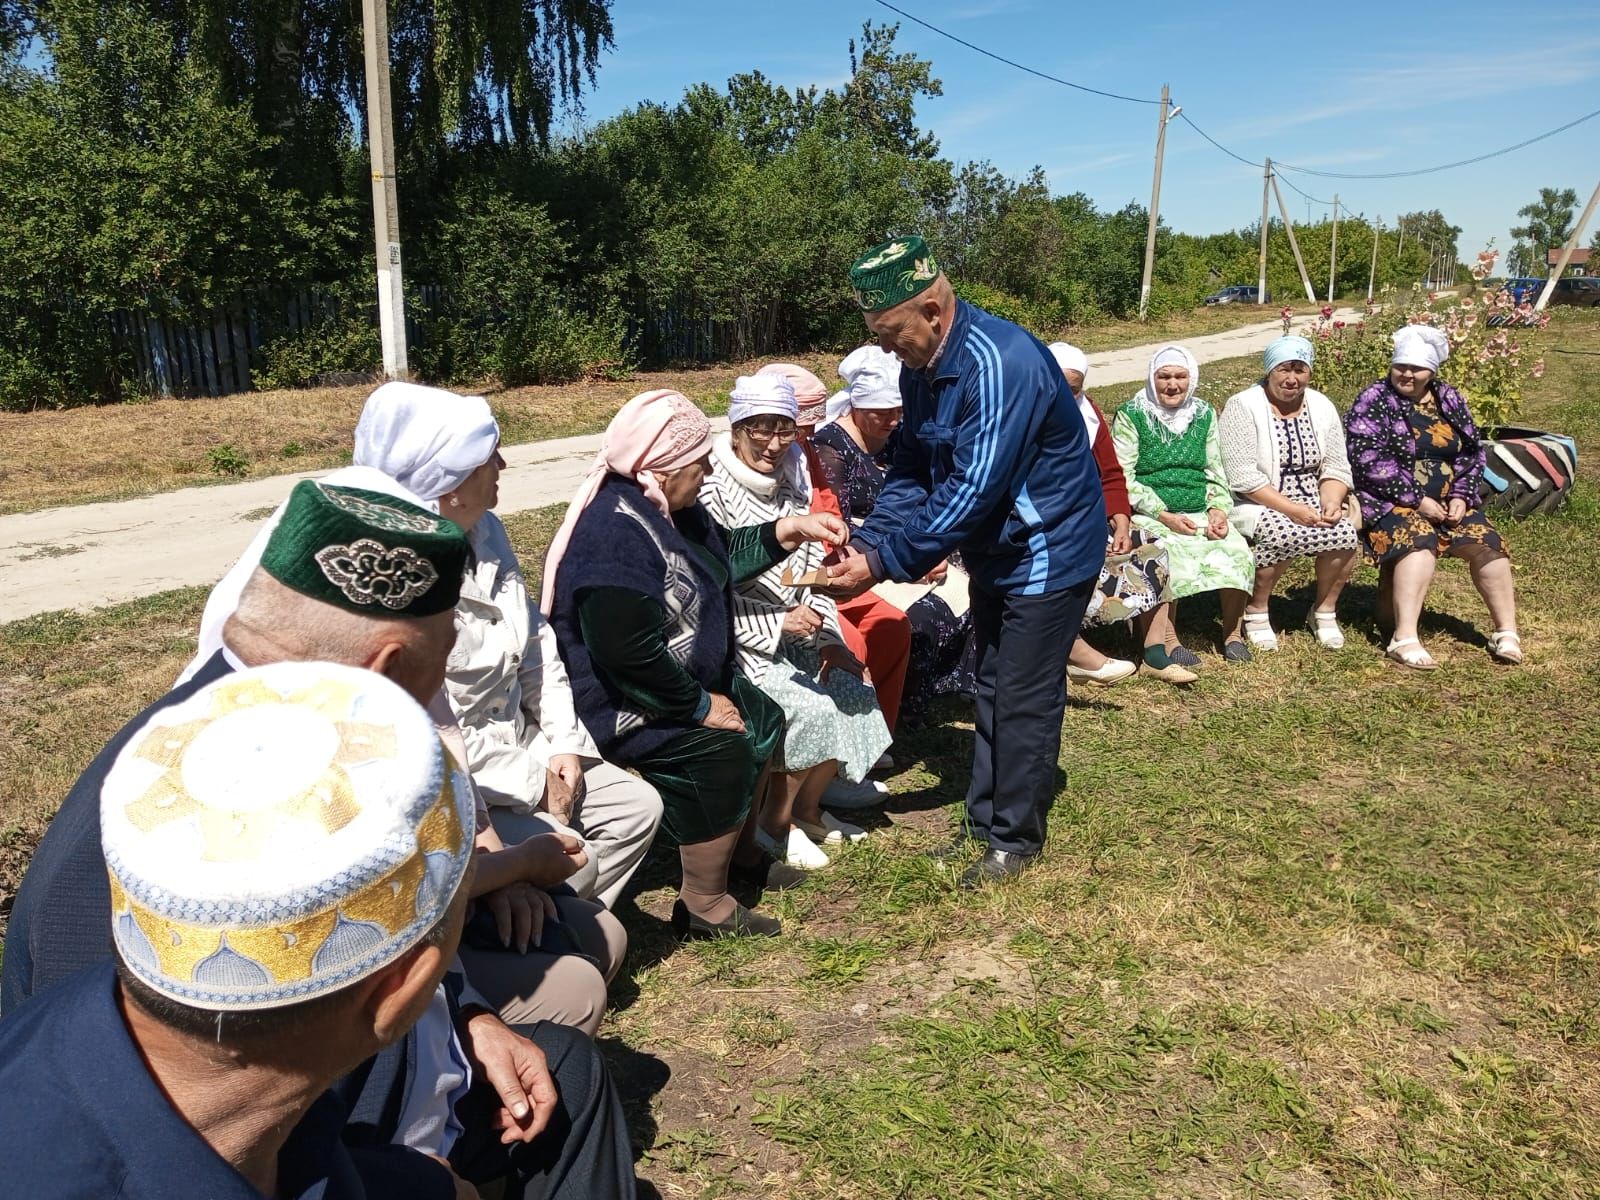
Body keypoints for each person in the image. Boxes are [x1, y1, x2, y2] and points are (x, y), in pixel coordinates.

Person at [3, 484, 638, 1200]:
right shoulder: (150, 826)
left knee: (571, 1072)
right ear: (389, 668)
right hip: (326, 1124)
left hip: (365, 1075)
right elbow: (161, 1105)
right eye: (449, 649)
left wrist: (469, 1014)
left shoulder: (298, 747)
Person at [825, 236, 1106, 888]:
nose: (888, 349)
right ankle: (985, 823)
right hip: (995, 551)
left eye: (892, 333)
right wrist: (869, 546)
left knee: (1023, 693)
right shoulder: (922, 370)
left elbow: (971, 491)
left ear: (931, 309)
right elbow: (915, 467)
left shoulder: (999, 363)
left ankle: (1014, 841)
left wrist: (882, 563)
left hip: (1048, 548)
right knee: (992, 685)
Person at [542, 389, 848, 938]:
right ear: (659, 467)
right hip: (622, 700)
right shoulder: (613, 536)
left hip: (674, 678)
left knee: (764, 716)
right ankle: (703, 902)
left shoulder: (667, 507)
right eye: (698, 462)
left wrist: (788, 530)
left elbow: (721, 555)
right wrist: (700, 705)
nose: (708, 471)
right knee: (718, 748)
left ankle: (742, 851)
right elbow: (625, 654)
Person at [437, 438, 665, 912]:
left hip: (524, 739)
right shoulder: (415, 572)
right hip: (469, 779)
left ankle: (563, 922)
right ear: (452, 485)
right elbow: (438, 734)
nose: (503, 464)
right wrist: (535, 781)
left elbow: (539, 646)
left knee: (637, 809)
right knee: (575, 859)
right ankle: (537, 933)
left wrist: (563, 742)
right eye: (488, 458)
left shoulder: (488, 531)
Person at [698, 374, 893, 867]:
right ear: (737, 427)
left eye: (784, 429)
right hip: (740, 643)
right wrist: (776, 623)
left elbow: (811, 571)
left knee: (852, 683)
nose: (773, 441)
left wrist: (828, 637)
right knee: (809, 709)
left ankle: (808, 808)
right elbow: (708, 587)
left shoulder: (790, 476)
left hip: (796, 627)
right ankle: (773, 824)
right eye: (761, 427)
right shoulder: (712, 490)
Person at [812, 345, 978, 721]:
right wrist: (907, 559)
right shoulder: (831, 449)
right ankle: (902, 702)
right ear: (856, 405)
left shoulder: (899, 436)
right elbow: (839, 524)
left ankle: (952, 683)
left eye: (897, 412)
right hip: (865, 551)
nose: (892, 421)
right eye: (881, 413)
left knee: (974, 584)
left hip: (906, 542)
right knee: (920, 613)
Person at [1346, 325, 1522, 669]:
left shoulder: (1449, 398)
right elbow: (1365, 458)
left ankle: (1506, 632)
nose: (1407, 374)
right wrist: (1417, 499)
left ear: (1432, 372)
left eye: (1416, 369)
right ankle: (1404, 636)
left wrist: (1460, 495)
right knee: (1418, 540)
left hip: (1447, 503)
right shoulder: (1374, 398)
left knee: (1488, 544)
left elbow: (1471, 451)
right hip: (1387, 500)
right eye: (1401, 367)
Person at [758, 361, 912, 746]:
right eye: (800, 426)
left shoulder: (803, 450)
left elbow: (827, 504)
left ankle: (878, 740)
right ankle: (836, 757)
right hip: (782, 583)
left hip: (820, 571)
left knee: (892, 625)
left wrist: (842, 548)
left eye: (809, 426)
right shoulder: (750, 465)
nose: (809, 434)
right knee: (848, 643)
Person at [1110, 345, 1257, 662]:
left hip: (1199, 509)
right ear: (1152, 377)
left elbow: (1215, 467)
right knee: (1167, 553)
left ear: (1192, 378)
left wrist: (1218, 509)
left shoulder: (1203, 413)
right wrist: (1165, 515)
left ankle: (1232, 634)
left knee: (1236, 549)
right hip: (1154, 512)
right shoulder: (1132, 414)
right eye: (1164, 377)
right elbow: (1124, 476)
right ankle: (1170, 639)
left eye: (1180, 376)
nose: (1172, 385)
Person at [1047, 343, 1180, 686]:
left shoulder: (1087, 415)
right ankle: (1069, 651)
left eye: (1073, 390)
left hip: (1091, 519)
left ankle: (1155, 653)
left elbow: (1110, 474)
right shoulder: (1026, 415)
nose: (1064, 395)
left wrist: (1120, 518)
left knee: (1150, 546)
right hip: (1054, 526)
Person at [1218, 334, 1360, 651]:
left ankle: (1323, 610)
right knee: (1282, 532)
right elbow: (1241, 476)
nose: (1291, 379)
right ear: (1270, 371)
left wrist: (1332, 501)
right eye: (1284, 369)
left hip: (1314, 496)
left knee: (1345, 532)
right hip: (1256, 499)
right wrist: (1292, 510)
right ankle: (1257, 610)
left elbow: (1336, 465)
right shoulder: (1244, 406)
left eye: (1300, 370)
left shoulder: (1322, 405)